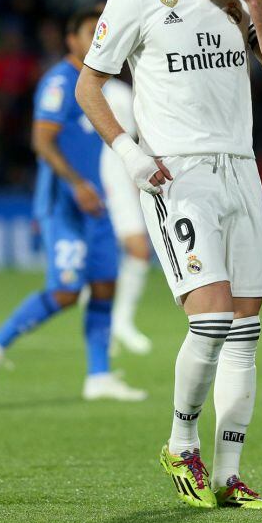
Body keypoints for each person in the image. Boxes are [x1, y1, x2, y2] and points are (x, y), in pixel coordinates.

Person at [75, 0, 262, 509]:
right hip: (180, 175)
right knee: (212, 318)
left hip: (241, 169)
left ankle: (229, 476)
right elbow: (89, 84)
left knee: (246, 330)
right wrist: (128, 152)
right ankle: (181, 442)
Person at [0, 6, 146, 402]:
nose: (99, 36)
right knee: (67, 291)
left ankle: (98, 376)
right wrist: (76, 184)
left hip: (95, 200)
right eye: (90, 30)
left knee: (104, 286)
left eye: (104, 29)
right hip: (65, 202)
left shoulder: (99, 84)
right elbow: (42, 142)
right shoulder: (60, 82)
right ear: (71, 39)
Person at [100, 77, 154, 355]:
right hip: (91, 179)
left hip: (119, 175)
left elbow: (134, 141)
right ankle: (102, 329)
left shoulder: (122, 93)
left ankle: (122, 321)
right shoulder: (76, 86)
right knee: (99, 258)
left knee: (138, 250)